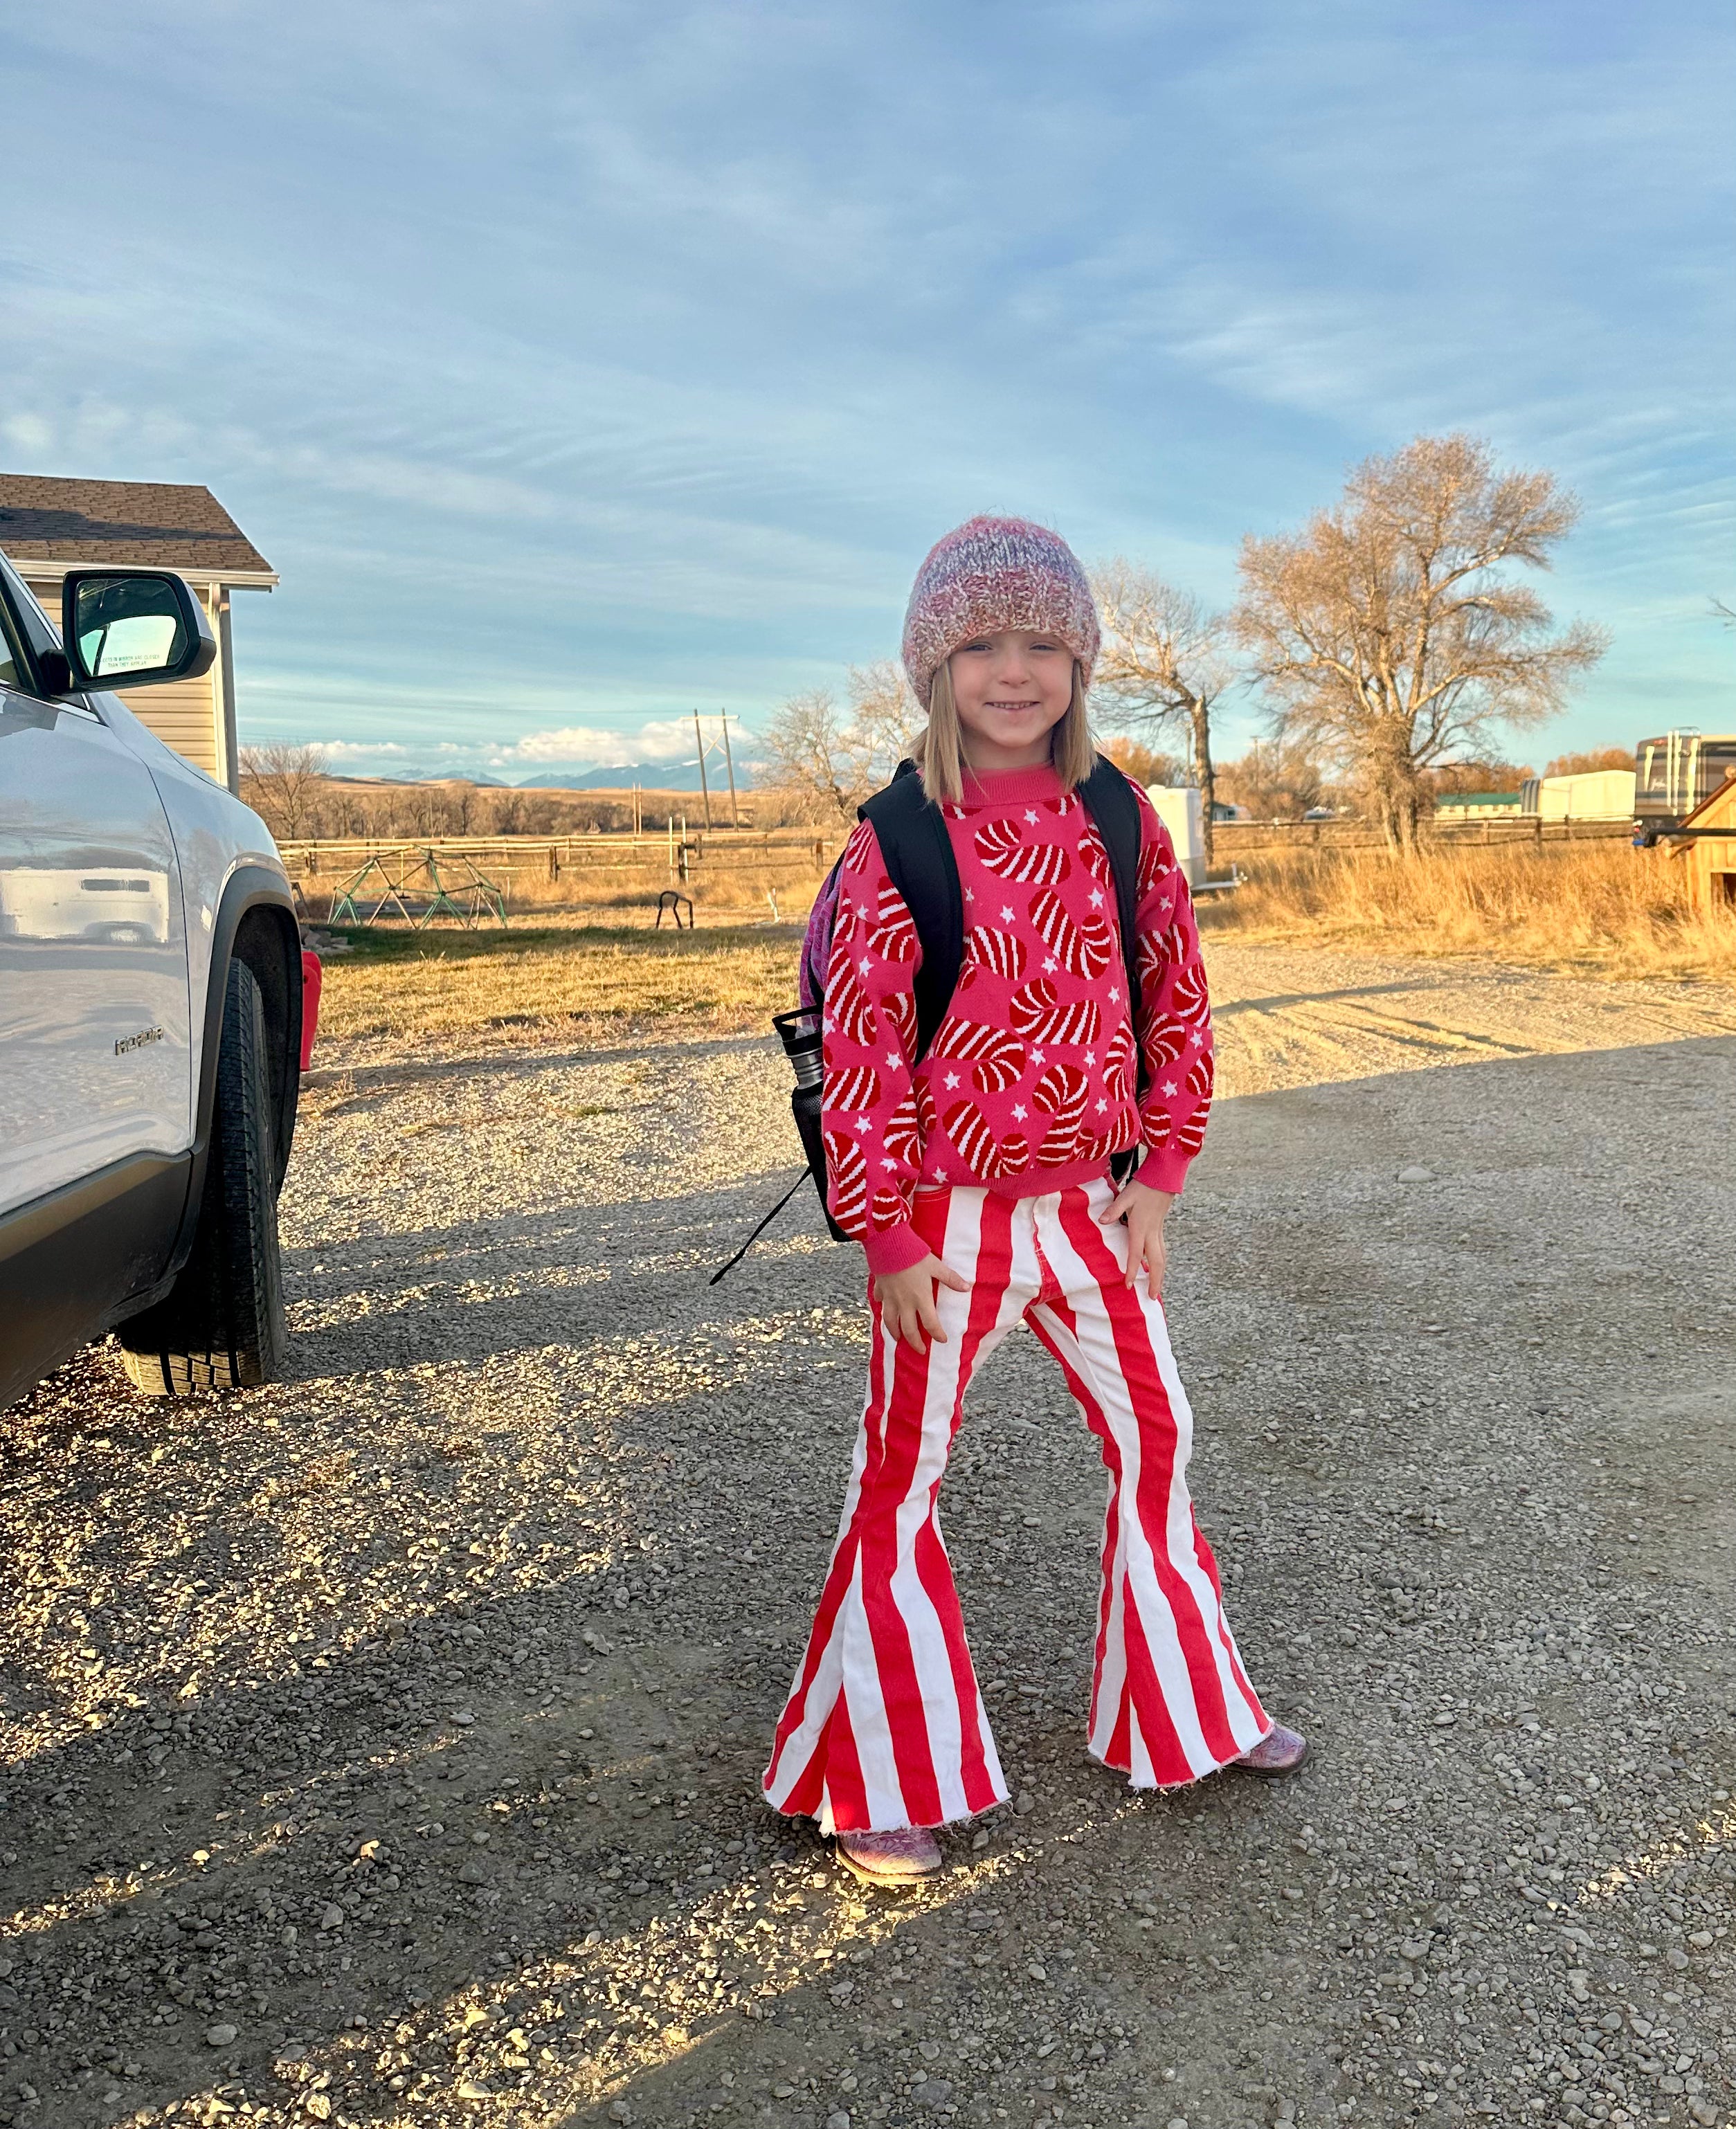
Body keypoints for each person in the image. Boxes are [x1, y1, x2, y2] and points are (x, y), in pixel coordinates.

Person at [761, 516, 1305, 1886]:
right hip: (941, 1224)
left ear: (1081, 658)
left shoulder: (1119, 820)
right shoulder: (894, 842)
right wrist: (882, 1228)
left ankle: (1188, 1709)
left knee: (1159, 1440)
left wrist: (1161, 1179)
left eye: (1045, 643)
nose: (1015, 671)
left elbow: (1174, 1001)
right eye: (983, 644)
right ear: (933, 664)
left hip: (1093, 1214)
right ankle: (870, 1770)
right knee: (900, 1483)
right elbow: (865, 1052)